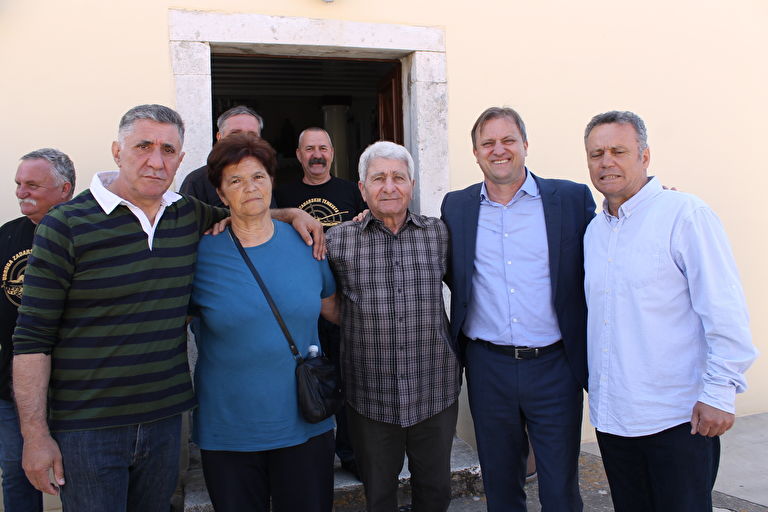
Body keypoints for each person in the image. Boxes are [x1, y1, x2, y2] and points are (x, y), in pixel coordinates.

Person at [11, 104, 323, 512]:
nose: (156, 161)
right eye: (143, 146)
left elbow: (247, 211)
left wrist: (293, 214)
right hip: (88, 429)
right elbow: (32, 339)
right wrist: (35, 436)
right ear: (117, 151)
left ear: (180, 158)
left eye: (168, 150)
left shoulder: (186, 214)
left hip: (165, 423)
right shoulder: (65, 224)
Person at [582, 110, 757, 511]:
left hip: (679, 419)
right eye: (596, 154)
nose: (606, 162)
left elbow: (725, 311)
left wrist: (720, 393)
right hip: (614, 420)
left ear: (644, 156)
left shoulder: (685, 215)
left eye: (618, 151)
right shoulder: (594, 231)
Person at [440, 107, 595, 511]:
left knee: (560, 488)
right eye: (488, 143)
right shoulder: (456, 207)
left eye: (508, 140)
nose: (499, 150)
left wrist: (652, 206)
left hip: (555, 366)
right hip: (488, 367)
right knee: (501, 484)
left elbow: (612, 241)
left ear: (525, 144)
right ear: (476, 152)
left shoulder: (570, 199)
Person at [189, 133, 337, 512]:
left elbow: (335, 311)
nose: (250, 188)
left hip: (305, 421)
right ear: (221, 195)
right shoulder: (201, 255)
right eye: (235, 180)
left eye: (258, 176)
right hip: (229, 429)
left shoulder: (308, 242)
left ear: (271, 181)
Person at [327, 141, 461, 512]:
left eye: (398, 178)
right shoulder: (338, 240)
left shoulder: (439, 235)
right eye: (378, 178)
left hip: (434, 390)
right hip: (370, 395)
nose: (389, 187)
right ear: (362, 188)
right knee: (379, 495)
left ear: (412, 185)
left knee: (435, 492)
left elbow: (467, 291)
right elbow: (326, 301)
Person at [274, 126, 366, 477]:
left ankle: (351, 454)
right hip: (300, 304)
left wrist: (366, 215)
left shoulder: (350, 192)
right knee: (305, 381)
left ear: (332, 153)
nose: (317, 155)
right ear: (299, 155)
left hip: (344, 299)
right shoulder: (283, 195)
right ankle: (309, 457)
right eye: (309, 149)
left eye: (323, 148)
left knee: (348, 379)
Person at [0, 148, 75, 512]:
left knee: (80, 477)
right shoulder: (7, 235)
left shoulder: (83, 234)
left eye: (32, 184)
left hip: (74, 387)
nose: (21, 192)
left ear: (65, 189)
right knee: (17, 473)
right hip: (13, 388)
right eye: (18, 184)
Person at [179, 105, 264, 207]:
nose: (244, 140)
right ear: (220, 138)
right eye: (235, 134)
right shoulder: (196, 182)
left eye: (252, 135)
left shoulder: (264, 178)